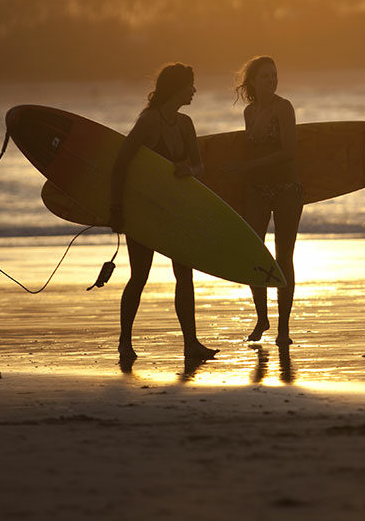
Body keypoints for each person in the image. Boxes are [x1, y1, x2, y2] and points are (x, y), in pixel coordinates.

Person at [109, 63, 218, 368]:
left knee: (184, 275)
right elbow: (120, 165)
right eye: (191, 85)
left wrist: (188, 170)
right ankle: (125, 341)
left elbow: (199, 168)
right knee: (139, 277)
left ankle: (191, 344)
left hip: (174, 210)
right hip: (143, 209)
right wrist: (116, 209)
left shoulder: (185, 124)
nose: (195, 90)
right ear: (177, 88)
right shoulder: (148, 123)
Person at [230, 56, 302, 345]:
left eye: (274, 76)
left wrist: (245, 169)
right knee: (253, 254)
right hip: (257, 189)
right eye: (265, 77)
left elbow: (289, 152)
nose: (271, 81)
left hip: (286, 188)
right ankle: (262, 318)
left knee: (284, 257)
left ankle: (284, 329)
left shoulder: (283, 108)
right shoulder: (249, 112)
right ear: (253, 82)